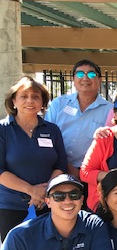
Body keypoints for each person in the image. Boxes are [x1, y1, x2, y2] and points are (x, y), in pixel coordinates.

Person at [0, 77, 67, 240]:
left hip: (47, 203)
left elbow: (61, 165)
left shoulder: (52, 130)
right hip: (12, 207)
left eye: (35, 96)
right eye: (24, 96)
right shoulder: (3, 130)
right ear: (14, 101)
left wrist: (44, 192)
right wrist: (31, 191)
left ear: (42, 102)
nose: (30, 101)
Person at [44, 60, 112, 177]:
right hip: (55, 168)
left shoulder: (110, 110)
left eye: (91, 74)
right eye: (80, 74)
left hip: (91, 173)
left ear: (100, 80)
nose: (85, 78)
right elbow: (47, 135)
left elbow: (109, 146)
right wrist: (65, 166)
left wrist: (82, 173)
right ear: (73, 80)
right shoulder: (58, 104)